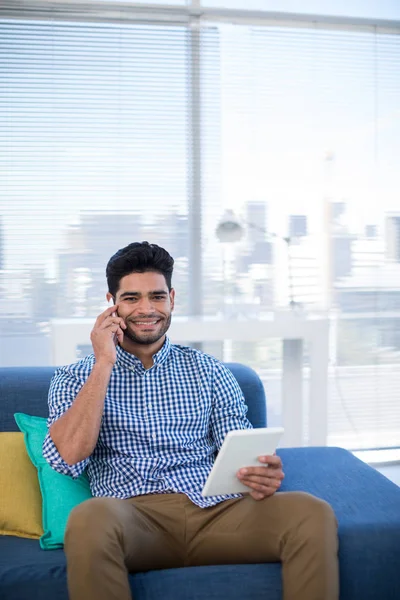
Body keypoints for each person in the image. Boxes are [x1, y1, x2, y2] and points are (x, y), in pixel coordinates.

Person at [43, 241, 339, 600]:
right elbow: (68, 457)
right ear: (112, 303)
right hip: (134, 519)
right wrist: (103, 362)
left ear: (172, 298)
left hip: (218, 512)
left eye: (156, 297)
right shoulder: (76, 378)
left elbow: (238, 446)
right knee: (88, 519)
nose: (146, 309)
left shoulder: (210, 371)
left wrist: (262, 469)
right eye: (132, 298)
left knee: (311, 512)